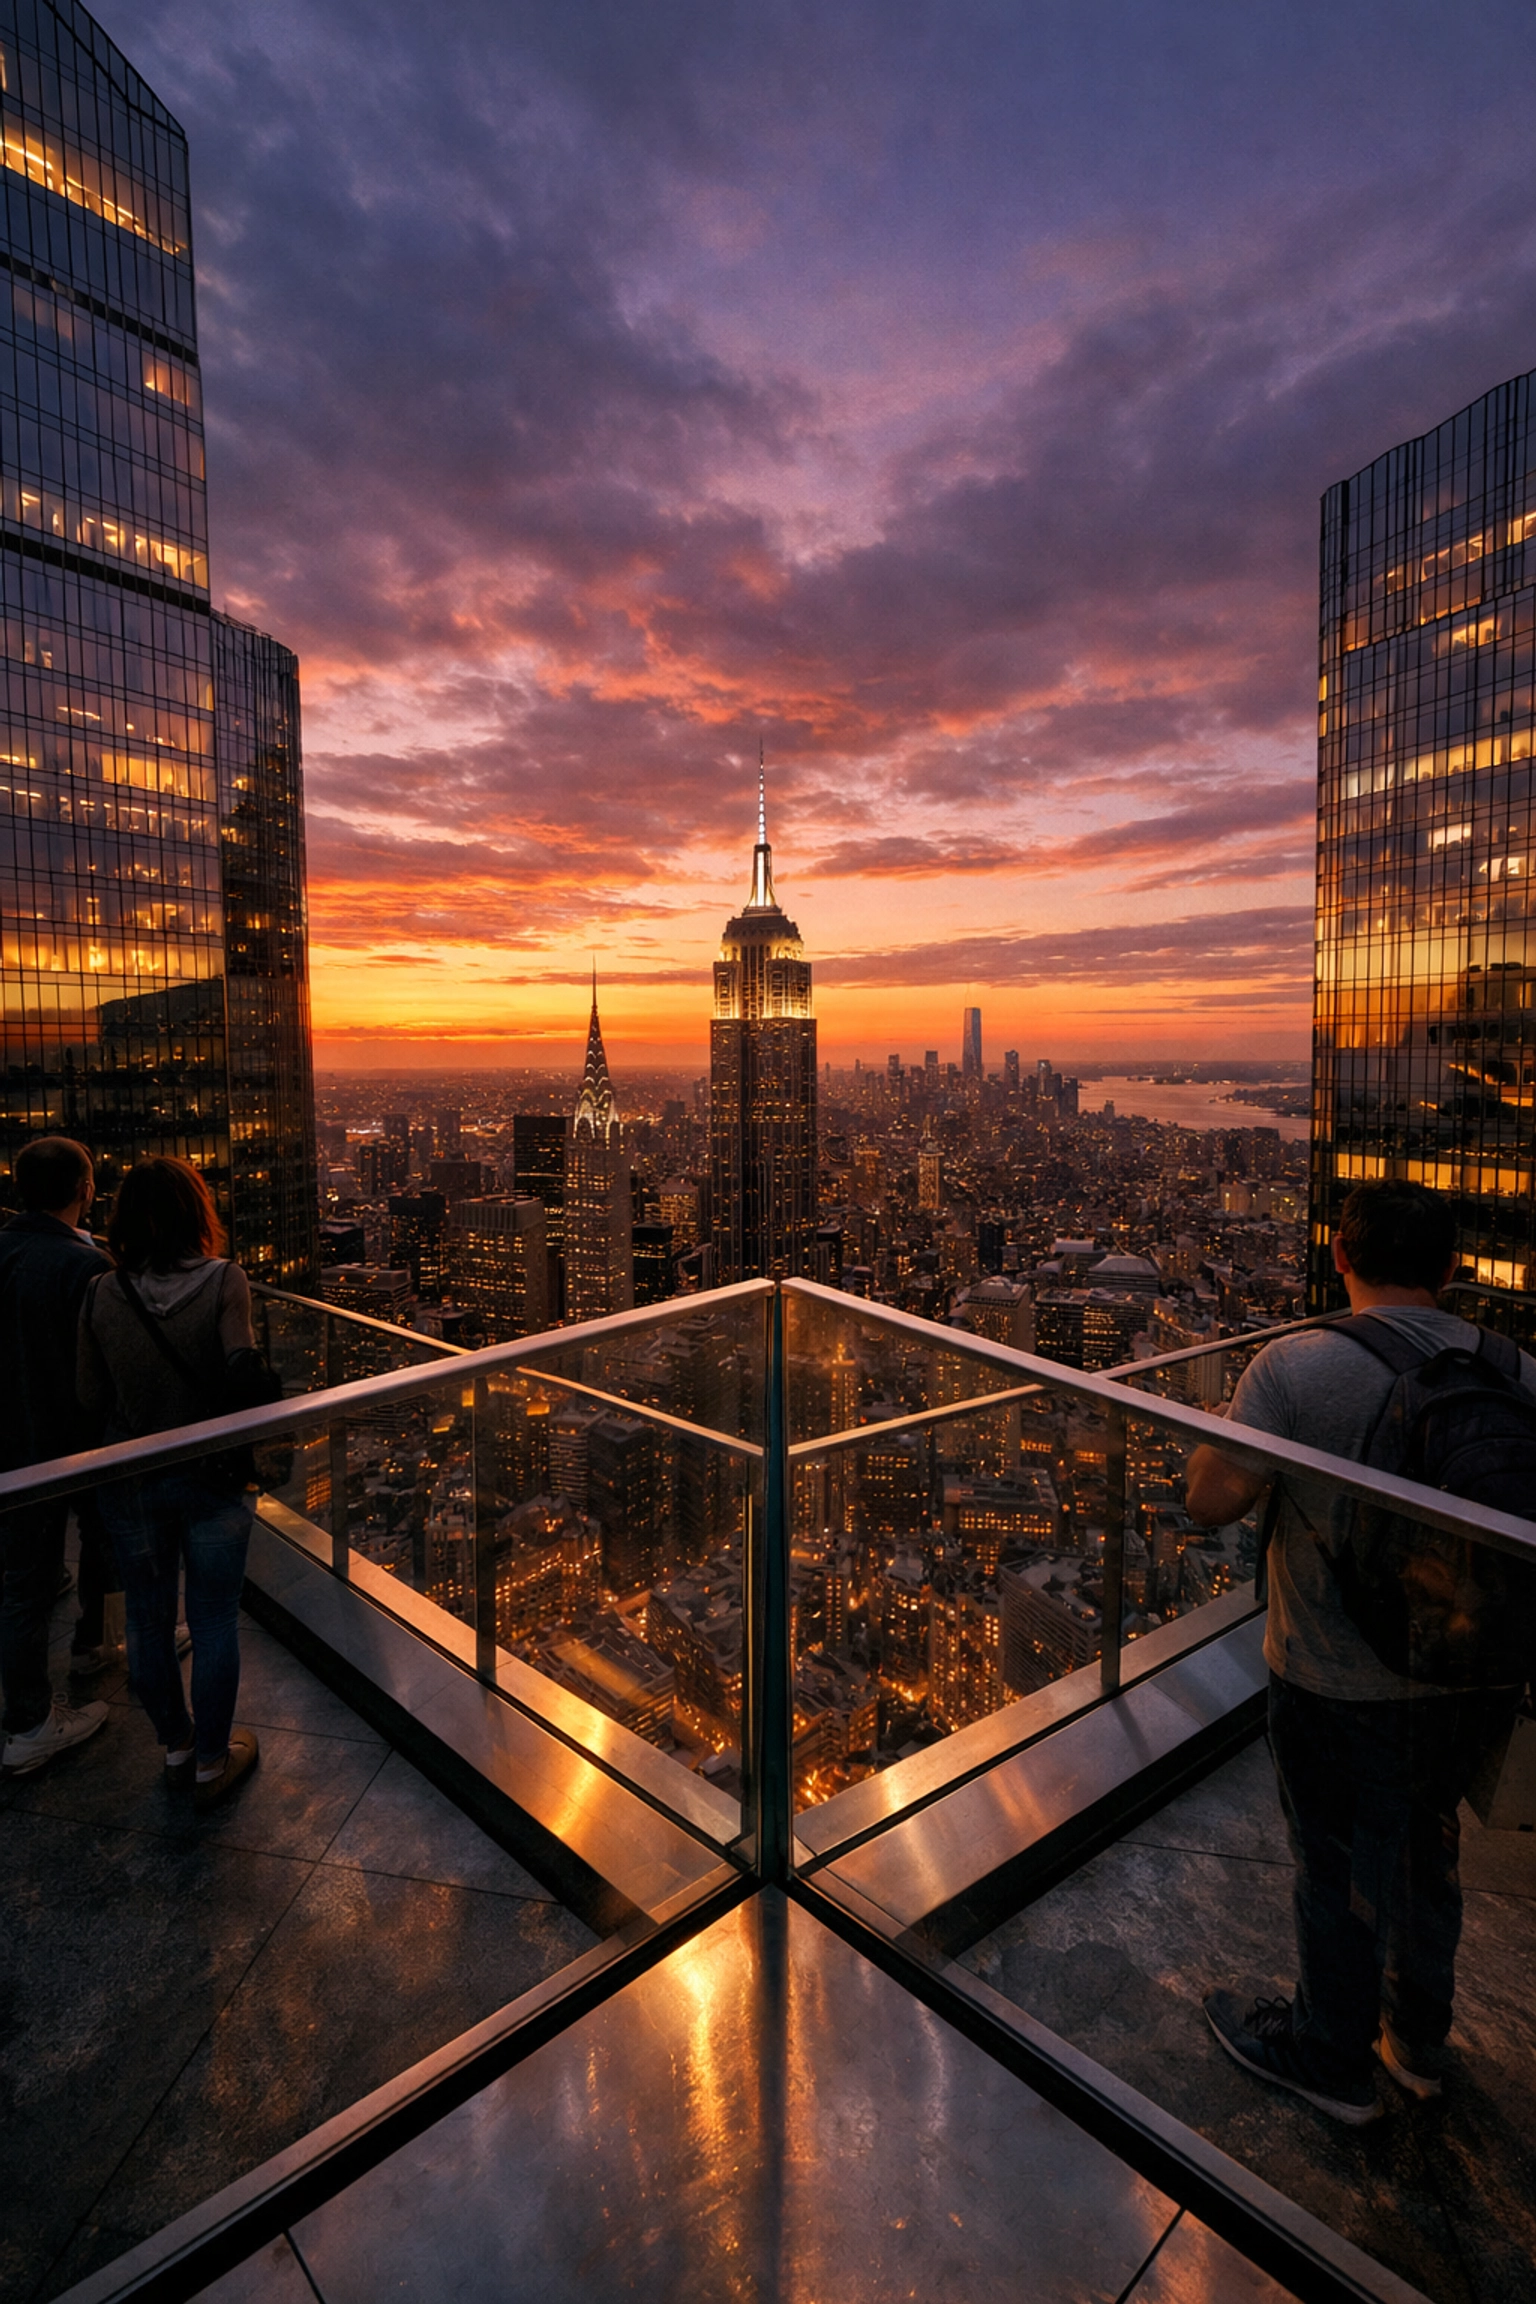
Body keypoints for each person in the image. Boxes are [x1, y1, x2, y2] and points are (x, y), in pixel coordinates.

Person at [1186, 1179, 1528, 2124]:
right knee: (1428, 1846)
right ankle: (1416, 2044)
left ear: (1339, 1256)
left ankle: (1329, 2056)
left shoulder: (1296, 1367)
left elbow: (1208, 1501)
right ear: (1453, 1268)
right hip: (1476, 1668)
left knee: (1334, 1867)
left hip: (1336, 1672)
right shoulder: (1516, 1369)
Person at [79, 1156, 260, 1810]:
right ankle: (213, 1761)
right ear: (198, 1214)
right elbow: (242, 1370)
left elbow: (88, 1393)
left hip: (130, 1479)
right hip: (211, 1476)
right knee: (213, 1622)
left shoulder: (103, 1291)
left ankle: (177, 1747)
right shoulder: (224, 1281)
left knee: (148, 1622)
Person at [0, 1137, 112, 1774]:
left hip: (13, 1442)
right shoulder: (82, 1265)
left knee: (22, 1574)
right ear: (83, 1190)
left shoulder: (5, 1248)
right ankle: (30, 1722)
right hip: (62, 1441)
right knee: (37, 1577)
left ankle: (89, 1646)